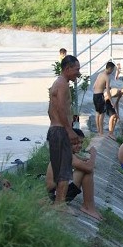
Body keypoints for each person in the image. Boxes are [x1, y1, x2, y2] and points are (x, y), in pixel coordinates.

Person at [46, 128, 102, 221]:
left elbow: (83, 162)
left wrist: (87, 160)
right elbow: (89, 168)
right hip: (56, 194)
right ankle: (88, 206)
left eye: (81, 143)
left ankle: (89, 206)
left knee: (84, 169)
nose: (79, 146)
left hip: (55, 193)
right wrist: (93, 154)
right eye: (75, 143)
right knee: (86, 171)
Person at [48, 55, 82, 206]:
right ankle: (60, 205)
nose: (78, 73)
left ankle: (59, 203)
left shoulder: (59, 83)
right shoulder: (62, 84)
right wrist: (69, 130)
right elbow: (60, 108)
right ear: (67, 69)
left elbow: (51, 110)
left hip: (57, 129)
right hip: (60, 130)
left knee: (62, 168)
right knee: (64, 169)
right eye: (77, 69)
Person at [93, 62, 116, 136]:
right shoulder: (107, 77)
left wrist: (103, 87)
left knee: (97, 112)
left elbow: (94, 86)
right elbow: (108, 92)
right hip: (100, 95)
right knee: (102, 114)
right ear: (110, 68)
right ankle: (101, 132)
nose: (112, 72)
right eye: (112, 70)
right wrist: (111, 101)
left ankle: (98, 130)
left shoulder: (100, 74)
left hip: (94, 95)